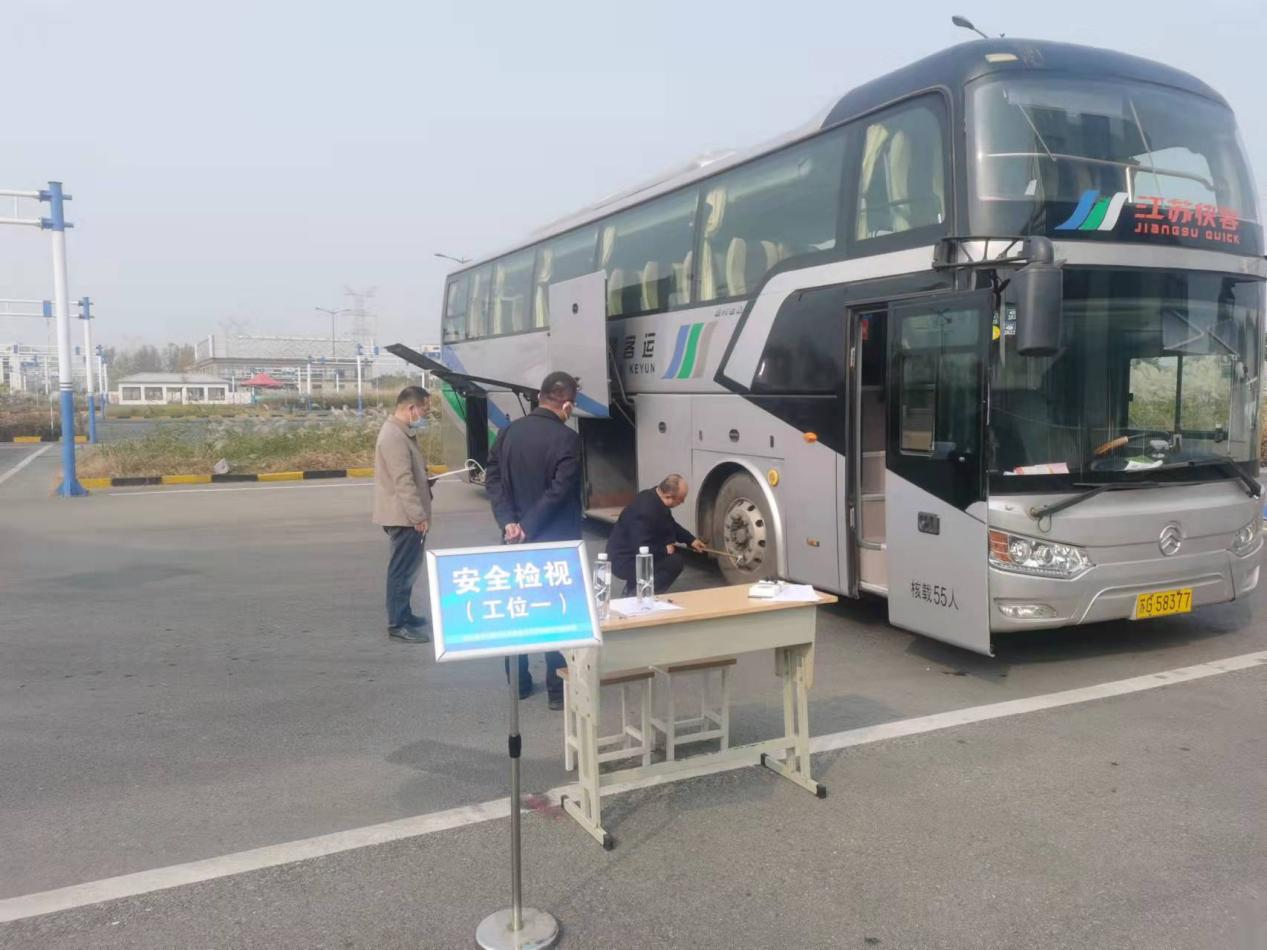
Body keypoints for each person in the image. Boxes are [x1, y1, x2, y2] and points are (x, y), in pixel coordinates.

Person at [484, 371, 582, 710]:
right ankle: (557, 690)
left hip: (514, 541)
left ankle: (519, 685)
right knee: (556, 611)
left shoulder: (508, 432)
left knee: (517, 611)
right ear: (567, 405)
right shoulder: (568, 439)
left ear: (540, 397)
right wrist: (528, 525)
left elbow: (493, 479)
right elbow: (560, 490)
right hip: (555, 543)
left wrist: (509, 522)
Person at [372, 386, 433, 643]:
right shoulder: (394, 436)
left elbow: (410, 475)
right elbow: (402, 481)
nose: (426, 415)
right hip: (404, 516)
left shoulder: (400, 432)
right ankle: (398, 625)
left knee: (408, 569)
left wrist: (426, 481)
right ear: (411, 408)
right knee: (401, 571)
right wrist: (418, 516)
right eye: (425, 410)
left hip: (404, 513)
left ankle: (405, 614)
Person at [606, 474, 705, 595]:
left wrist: (691, 540)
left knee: (671, 557)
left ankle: (633, 587)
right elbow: (640, 547)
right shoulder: (645, 511)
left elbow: (670, 525)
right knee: (674, 563)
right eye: (681, 499)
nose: (683, 502)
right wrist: (664, 550)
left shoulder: (654, 497)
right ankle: (639, 594)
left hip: (631, 554)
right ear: (669, 496)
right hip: (623, 560)